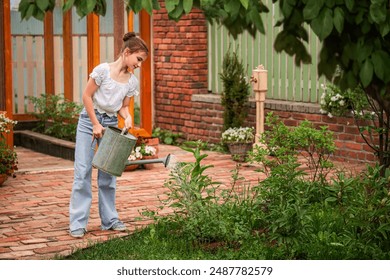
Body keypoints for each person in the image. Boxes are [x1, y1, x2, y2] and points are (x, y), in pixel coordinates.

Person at [69, 32, 148, 238]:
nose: (139, 64)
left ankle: (110, 220)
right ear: (127, 52)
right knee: (83, 172)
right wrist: (95, 123)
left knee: (108, 175)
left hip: (111, 125)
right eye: (138, 59)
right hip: (89, 122)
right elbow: (86, 96)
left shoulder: (131, 82)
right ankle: (78, 223)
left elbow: (123, 107)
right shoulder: (102, 71)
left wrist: (128, 117)